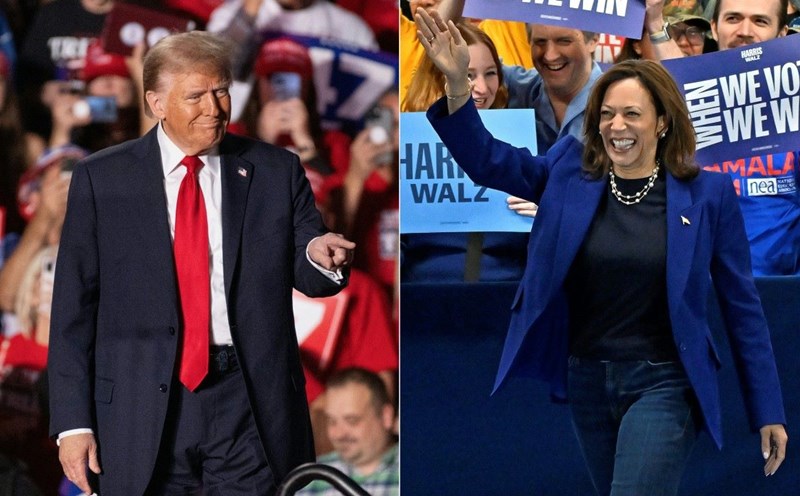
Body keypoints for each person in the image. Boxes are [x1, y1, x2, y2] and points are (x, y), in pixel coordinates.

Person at [416, 8, 787, 495]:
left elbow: (743, 308)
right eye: (607, 114)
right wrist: (458, 90)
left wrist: (768, 411)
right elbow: (489, 162)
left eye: (632, 114)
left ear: (661, 124)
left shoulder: (708, 195)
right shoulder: (570, 169)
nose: (617, 126)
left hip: (665, 384)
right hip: (587, 381)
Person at [47, 30, 355, 495]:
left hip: (247, 403)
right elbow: (72, 309)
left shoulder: (275, 171)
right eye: (195, 96)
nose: (214, 108)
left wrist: (319, 256)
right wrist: (72, 424)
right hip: (140, 407)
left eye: (221, 91)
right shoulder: (102, 180)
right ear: (156, 103)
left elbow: (310, 269)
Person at [652, 0, 799, 275]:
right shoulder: (679, 108)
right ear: (714, 28)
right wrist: (653, 21)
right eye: (733, 18)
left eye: (760, 21)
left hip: (778, 295)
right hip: (695, 294)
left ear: (781, 33)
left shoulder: (796, 111)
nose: (745, 30)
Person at [296, 368, 398, 496]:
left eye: (351, 420)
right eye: (332, 421)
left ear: (385, 416)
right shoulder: (311, 478)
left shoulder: (418, 471)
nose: (338, 434)